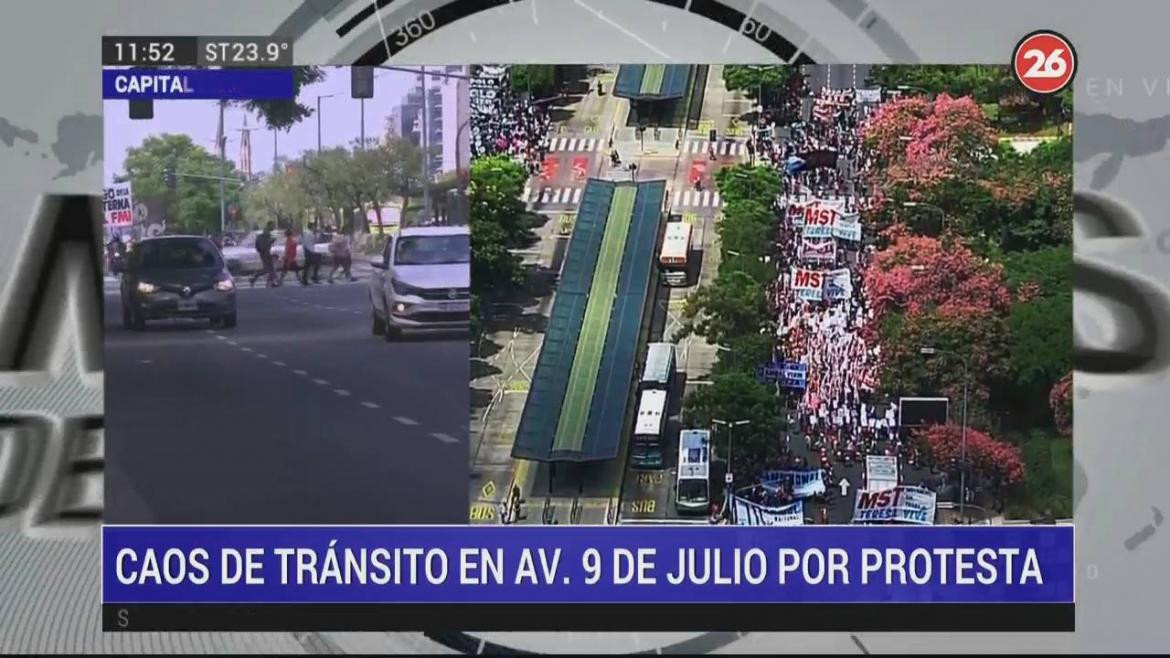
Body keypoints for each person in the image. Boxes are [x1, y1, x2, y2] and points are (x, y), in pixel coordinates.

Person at [250, 221, 277, 288]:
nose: (274, 227)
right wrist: (272, 241)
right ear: (269, 225)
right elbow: (266, 243)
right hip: (265, 253)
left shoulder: (265, 232)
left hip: (264, 252)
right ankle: (271, 282)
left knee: (267, 269)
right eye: (273, 225)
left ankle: (254, 279)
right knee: (270, 269)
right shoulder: (266, 232)